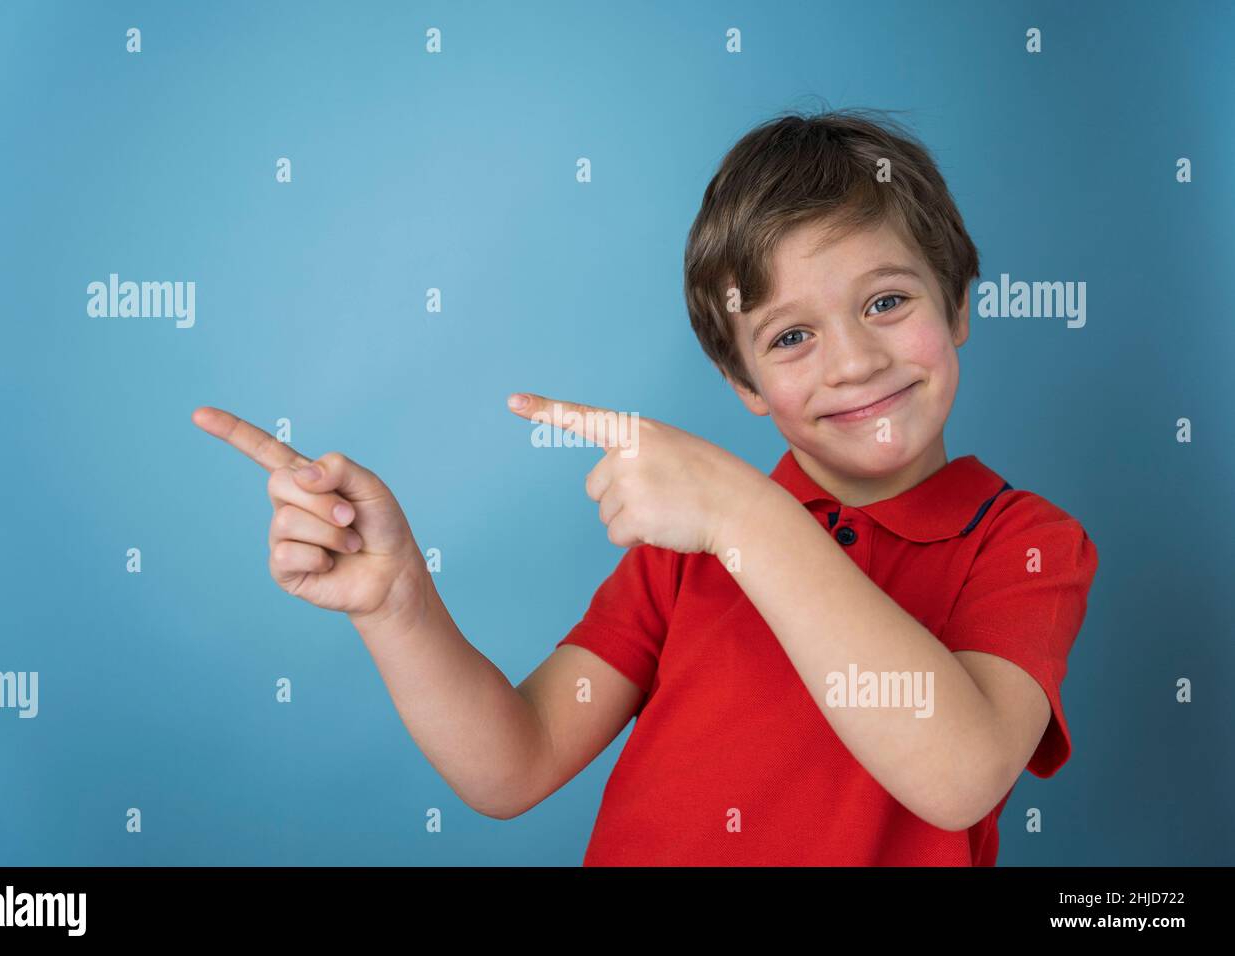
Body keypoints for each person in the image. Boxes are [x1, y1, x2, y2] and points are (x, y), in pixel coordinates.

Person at [192, 108, 1098, 866]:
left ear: (960, 305)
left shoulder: (1022, 542)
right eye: (790, 337)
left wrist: (743, 510)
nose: (855, 361)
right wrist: (396, 603)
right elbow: (515, 764)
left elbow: (960, 774)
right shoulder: (682, 552)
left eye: (886, 301)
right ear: (744, 386)